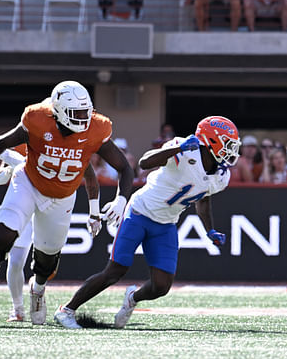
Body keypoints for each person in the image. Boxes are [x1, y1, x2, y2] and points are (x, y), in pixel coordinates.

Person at [0, 80, 134, 326]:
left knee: (47, 259)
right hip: (29, 182)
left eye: (86, 112)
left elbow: (125, 168)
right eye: (77, 113)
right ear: (58, 111)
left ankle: (38, 290)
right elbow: (0, 144)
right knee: (2, 232)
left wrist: (120, 199)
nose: (84, 119)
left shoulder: (96, 128)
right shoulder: (37, 119)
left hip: (62, 197)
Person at [53, 116, 240, 329]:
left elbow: (203, 199)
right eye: (227, 144)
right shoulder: (183, 149)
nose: (231, 150)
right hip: (140, 213)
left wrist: (210, 230)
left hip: (166, 223)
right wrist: (177, 149)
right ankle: (66, 310)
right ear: (211, 141)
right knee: (115, 270)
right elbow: (144, 163)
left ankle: (132, 297)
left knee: (161, 286)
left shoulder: (221, 175)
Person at [0, 144, 102, 322]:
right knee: (16, 261)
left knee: (48, 259)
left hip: (51, 206)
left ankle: (37, 288)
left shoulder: (59, 145)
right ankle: (17, 308)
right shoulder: (21, 143)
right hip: (25, 207)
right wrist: (13, 168)